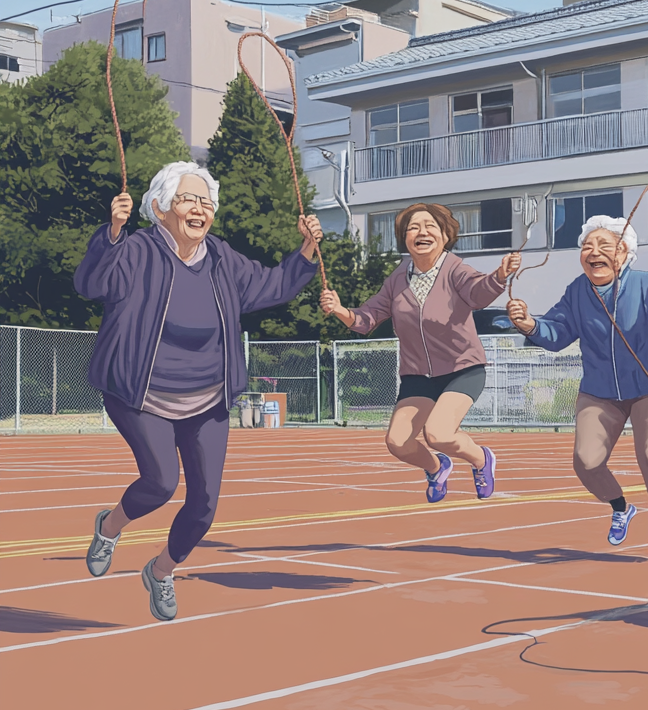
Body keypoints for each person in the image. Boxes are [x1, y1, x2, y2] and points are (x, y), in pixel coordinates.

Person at [75, 161, 323, 621]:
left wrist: (307, 249)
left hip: (208, 397)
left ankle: (162, 571)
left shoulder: (222, 258)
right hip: (140, 391)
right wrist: (111, 231)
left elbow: (270, 285)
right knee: (161, 482)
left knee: (205, 505)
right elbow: (91, 284)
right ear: (160, 208)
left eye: (206, 203)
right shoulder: (136, 250)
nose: (200, 209)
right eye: (189, 199)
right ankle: (110, 527)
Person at [506, 216, 648, 559]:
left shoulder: (646, 285)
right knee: (586, 461)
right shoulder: (577, 291)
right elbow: (557, 333)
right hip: (600, 389)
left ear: (625, 252)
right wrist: (530, 324)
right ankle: (621, 507)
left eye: (604, 246)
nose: (594, 253)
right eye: (587, 246)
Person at [320, 203, 520, 502]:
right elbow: (367, 319)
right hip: (418, 375)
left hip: (461, 368)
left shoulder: (455, 270)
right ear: (404, 238)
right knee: (397, 442)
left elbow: (477, 292)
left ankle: (481, 459)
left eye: (430, 226)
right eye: (413, 227)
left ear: (444, 235)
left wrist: (499, 276)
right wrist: (339, 310)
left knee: (438, 434)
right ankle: (437, 467)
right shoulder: (398, 279)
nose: (421, 232)